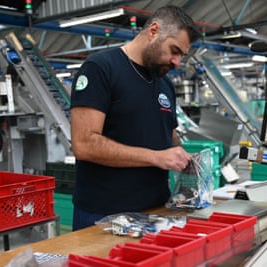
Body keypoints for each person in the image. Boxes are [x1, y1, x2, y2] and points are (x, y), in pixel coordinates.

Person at [70, 5, 202, 231]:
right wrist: (156, 157)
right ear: (154, 31)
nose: (177, 62)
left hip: (157, 211)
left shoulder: (165, 84)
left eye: (182, 55)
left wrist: (185, 158)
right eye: (174, 50)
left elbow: (168, 136)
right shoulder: (101, 69)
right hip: (104, 216)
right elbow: (84, 144)